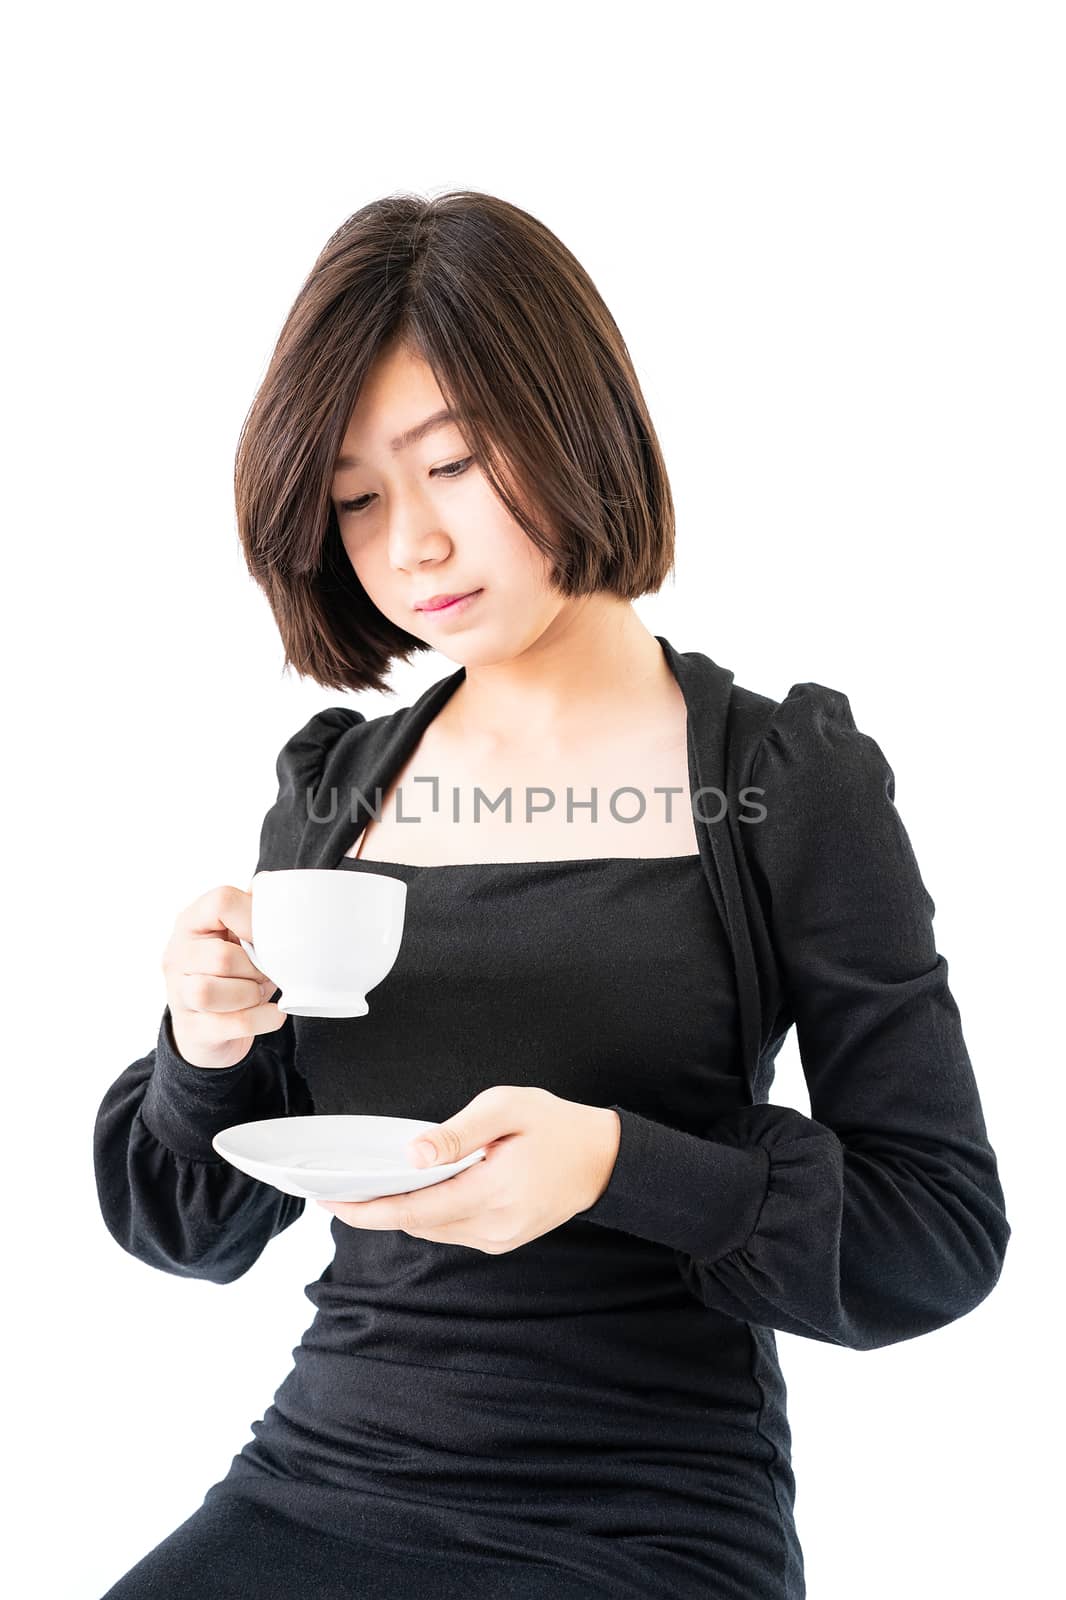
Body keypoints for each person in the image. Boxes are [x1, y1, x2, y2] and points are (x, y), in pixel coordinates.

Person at [93, 190, 1011, 1600]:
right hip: (321, 1476)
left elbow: (935, 1235)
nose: (408, 546)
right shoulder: (335, 788)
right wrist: (201, 1045)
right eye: (353, 499)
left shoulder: (780, 779)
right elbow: (189, 1229)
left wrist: (617, 1167)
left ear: (570, 422)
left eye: (450, 464)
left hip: (640, 1519)